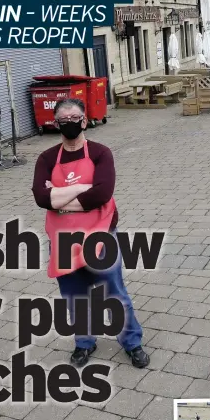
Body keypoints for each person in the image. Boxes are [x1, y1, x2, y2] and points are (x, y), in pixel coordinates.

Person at [32, 98, 150, 369]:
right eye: (64, 119)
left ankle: (132, 342)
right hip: (64, 240)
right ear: (55, 123)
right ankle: (84, 343)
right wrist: (82, 188)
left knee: (114, 293)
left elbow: (102, 193)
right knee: (74, 297)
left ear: (85, 121)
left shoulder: (100, 153)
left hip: (101, 236)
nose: (70, 123)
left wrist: (59, 197)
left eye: (75, 118)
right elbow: (41, 197)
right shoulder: (47, 158)